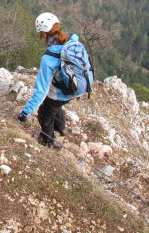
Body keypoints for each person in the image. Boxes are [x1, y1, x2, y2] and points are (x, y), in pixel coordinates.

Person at [17, 12, 93, 148]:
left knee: (44, 113)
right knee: (55, 105)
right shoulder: (73, 41)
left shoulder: (48, 59)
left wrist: (25, 113)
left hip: (66, 89)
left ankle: (47, 142)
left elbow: (41, 91)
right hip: (81, 86)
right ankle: (61, 129)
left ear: (44, 34)